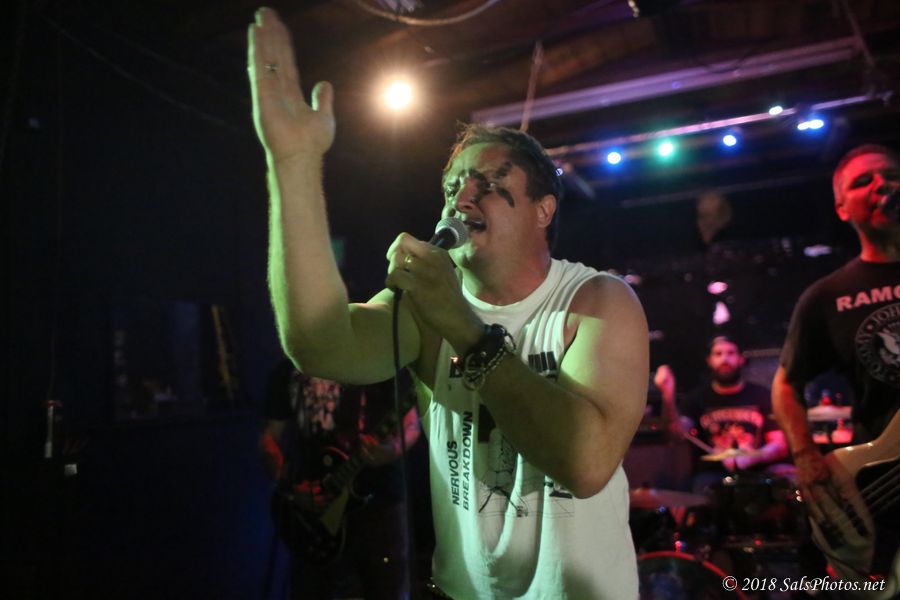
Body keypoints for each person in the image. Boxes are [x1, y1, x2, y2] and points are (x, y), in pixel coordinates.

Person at [248, 8, 649, 598]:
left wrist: (461, 326)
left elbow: (585, 464)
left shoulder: (596, 300)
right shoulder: (426, 308)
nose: (462, 198)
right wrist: (294, 163)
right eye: (453, 186)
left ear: (543, 210)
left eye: (488, 184)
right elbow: (319, 344)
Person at [772, 143, 899, 593]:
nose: (882, 185)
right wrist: (805, 456)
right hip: (882, 483)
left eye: (890, 175)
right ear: (842, 208)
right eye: (863, 181)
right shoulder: (829, 297)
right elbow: (786, 383)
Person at [259, 359, 420, 600]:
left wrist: (390, 451)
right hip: (315, 512)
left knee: (387, 588)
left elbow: (411, 425)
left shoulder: (382, 358)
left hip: (380, 501)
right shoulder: (291, 365)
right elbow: (269, 438)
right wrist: (291, 488)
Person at [654, 336, 787, 491]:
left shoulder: (762, 395)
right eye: (718, 354)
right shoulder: (696, 399)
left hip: (756, 472)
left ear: (741, 359)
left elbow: (779, 444)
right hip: (712, 475)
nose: (725, 359)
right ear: (709, 361)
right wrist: (667, 396)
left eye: (730, 353)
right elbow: (676, 434)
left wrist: (748, 459)